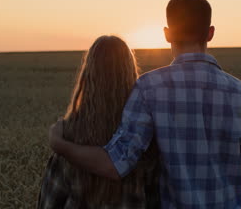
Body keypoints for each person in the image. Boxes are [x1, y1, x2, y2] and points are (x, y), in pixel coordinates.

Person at [48, 0, 241, 209]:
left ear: (167, 34)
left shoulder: (149, 88)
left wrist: (62, 146)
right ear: (210, 33)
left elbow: (116, 165)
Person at [38, 36, 160, 209]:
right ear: (130, 72)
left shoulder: (67, 134)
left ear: (88, 74)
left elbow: (49, 202)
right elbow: (156, 199)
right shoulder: (142, 133)